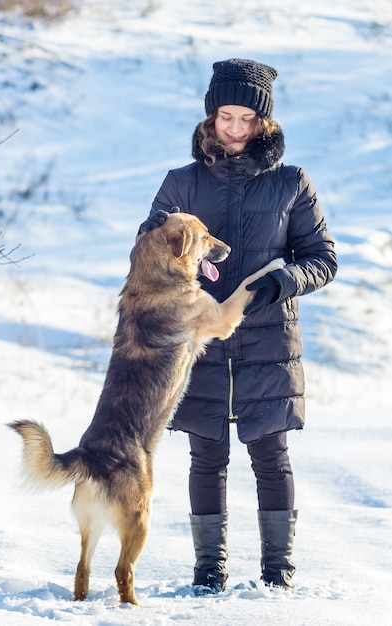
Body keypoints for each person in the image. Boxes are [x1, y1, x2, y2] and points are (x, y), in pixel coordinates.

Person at [139, 58, 337, 594]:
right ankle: (209, 570)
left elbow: (322, 258)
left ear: (263, 124)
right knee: (206, 453)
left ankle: (277, 571)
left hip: (270, 338)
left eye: (246, 118)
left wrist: (283, 281)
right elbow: (145, 249)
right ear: (210, 118)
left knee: (271, 453)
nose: (234, 128)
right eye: (225, 116)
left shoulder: (291, 183)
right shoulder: (180, 184)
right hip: (196, 339)